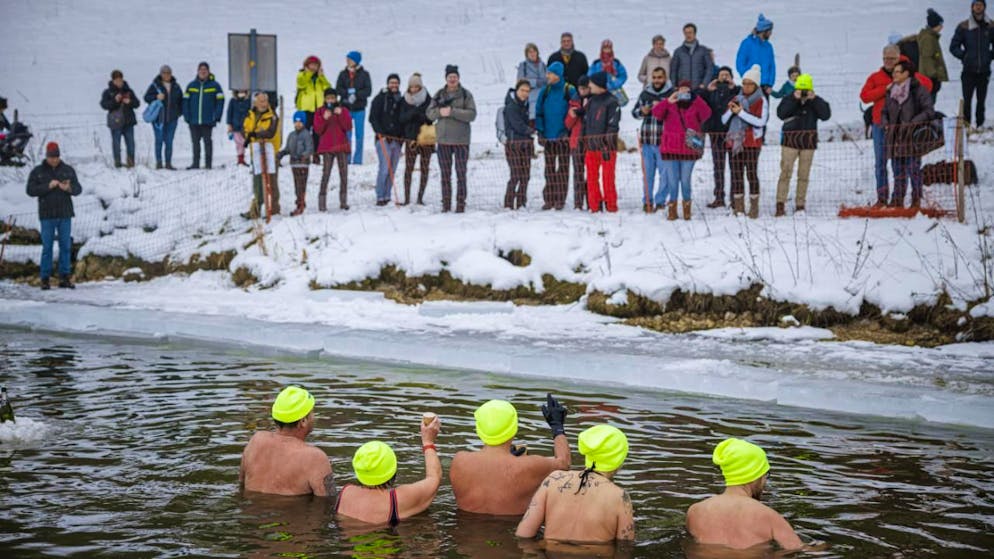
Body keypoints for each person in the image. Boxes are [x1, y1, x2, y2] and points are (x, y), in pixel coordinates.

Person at [450, 395, 571, 515]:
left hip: (465, 531)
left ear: (479, 429)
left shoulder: (460, 460)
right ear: (514, 429)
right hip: (514, 530)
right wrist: (557, 427)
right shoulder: (530, 465)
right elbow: (564, 463)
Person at [516, 425, 634, 543]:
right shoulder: (620, 497)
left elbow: (524, 534)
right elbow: (625, 546)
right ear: (619, 461)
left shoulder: (553, 480)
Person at [686, 438, 809, 551]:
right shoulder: (768, 516)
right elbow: (799, 550)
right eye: (766, 475)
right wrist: (825, 546)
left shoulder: (694, 511)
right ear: (757, 476)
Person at [334, 415, 442, 526]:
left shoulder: (346, 492)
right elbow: (434, 478)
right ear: (393, 470)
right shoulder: (397, 500)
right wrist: (428, 442)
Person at [860, 46, 934, 205]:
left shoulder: (906, 74)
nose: (888, 62)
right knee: (880, 162)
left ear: (899, 58)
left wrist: (907, 77)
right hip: (881, 125)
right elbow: (864, 96)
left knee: (900, 163)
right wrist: (885, 89)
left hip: (902, 127)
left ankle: (899, 197)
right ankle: (881, 198)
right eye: (885, 58)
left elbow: (928, 85)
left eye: (892, 59)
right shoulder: (875, 77)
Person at [239, 386, 335, 497]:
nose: (314, 417)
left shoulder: (256, 440)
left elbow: (241, 484)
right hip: (289, 513)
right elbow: (329, 504)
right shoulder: (315, 458)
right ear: (303, 421)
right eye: (312, 413)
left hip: (251, 510)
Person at [25, 142, 82, 290]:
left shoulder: (68, 170)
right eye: (51, 157)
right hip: (47, 215)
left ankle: (65, 277)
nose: (54, 160)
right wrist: (47, 186)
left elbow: (78, 189)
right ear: (47, 156)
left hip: (65, 214)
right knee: (47, 247)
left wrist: (68, 188)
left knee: (65, 246)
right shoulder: (38, 171)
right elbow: (30, 190)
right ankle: (45, 278)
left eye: (56, 157)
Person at [653, 80, 711, 220]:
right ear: (677, 90)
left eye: (687, 89)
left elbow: (707, 114)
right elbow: (656, 113)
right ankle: (672, 210)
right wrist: (668, 101)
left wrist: (696, 99)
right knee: (672, 181)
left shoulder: (696, 104)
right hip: (670, 148)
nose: (684, 92)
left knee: (685, 180)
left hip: (689, 148)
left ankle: (686, 210)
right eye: (681, 89)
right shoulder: (670, 104)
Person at [775, 74, 831, 216]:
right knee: (785, 172)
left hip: (808, 143)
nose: (804, 93)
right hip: (790, 142)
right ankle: (780, 203)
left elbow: (825, 115)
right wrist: (794, 98)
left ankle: (800, 204)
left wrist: (815, 100)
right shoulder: (789, 98)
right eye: (801, 90)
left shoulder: (815, 101)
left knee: (804, 174)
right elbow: (781, 114)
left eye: (806, 90)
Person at [882, 60, 935, 209]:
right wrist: (886, 122)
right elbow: (884, 111)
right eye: (894, 72)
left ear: (906, 73)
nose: (894, 74)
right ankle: (897, 200)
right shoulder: (890, 91)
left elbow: (929, 111)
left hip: (912, 137)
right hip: (895, 137)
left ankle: (916, 199)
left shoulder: (918, 90)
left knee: (913, 170)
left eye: (897, 72)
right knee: (897, 171)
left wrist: (914, 122)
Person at [426, 65, 477, 213]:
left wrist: (453, 112)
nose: (452, 79)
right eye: (450, 77)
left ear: (458, 78)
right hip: (443, 141)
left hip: (461, 141)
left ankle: (461, 203)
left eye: (454, 77)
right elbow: (429, 113)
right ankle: (446, 204)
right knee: (445, 174)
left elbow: (472, 114)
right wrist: (440, 112)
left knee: (461, 173)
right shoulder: (438, 95)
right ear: (446, 79)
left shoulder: (466, 95)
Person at [722, 65, 769, 218]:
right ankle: (738, 206)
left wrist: (740, 112)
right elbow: (724, 120)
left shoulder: (761, 100)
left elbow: (760, 122)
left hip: (752, 143)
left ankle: (754, 207)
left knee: (751, 173)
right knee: (736, 174)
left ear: (755, 85)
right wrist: (731, 110)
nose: (746, 87)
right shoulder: (737, 98)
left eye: (749, 83)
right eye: (744, 83)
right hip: (735, 142)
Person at [535, 62, 576, 210]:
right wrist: (540, 131)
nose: (547, 76)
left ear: (557, 74)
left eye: (550, 73)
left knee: (563, 169)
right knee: (549, 169)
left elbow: (575, 110)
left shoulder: (569, 90)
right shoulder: (545, 91)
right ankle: (549, 199)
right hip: (548, 138)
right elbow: (538, 111)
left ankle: (560, 199)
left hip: (563, 137)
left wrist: (567, 130)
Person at [632, 66, 674, 212]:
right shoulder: (645, 94)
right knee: (647, 174)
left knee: (665, 175)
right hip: (647, 140)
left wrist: (663, 106)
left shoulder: (671, 93)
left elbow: (676, 114)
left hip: (664, 141)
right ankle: (647, 201)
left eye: (659, 77)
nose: (657, 80)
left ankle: (660, 201)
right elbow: (634, 113)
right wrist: (642, 111)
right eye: (654, 77)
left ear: (665, 78)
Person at [949, 1, 994, 128]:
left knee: (982, 101)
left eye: (981, 4)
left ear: (984, 7)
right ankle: (967, 125)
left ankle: (980, 125)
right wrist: (964, 56)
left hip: (984, 70)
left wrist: (989, 56)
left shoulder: (991, 26)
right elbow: (953, 46)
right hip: (968, 70)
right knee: (967, 100)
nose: (978, 7)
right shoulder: (964, 26)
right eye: (976, 5)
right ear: (972, 7)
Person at [582, 72, 621, 213]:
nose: (589, 86)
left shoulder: (612, 102)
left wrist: (606, 143)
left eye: (591, 83)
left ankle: (611, 206)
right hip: (591, 146)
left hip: (607, 148)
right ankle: (594, 205)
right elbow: (585, 122)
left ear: (599, 85)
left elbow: (613, 125)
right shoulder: (591, 101)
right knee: (591, 178)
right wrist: (583, 141)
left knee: (608, 178)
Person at [703, 67, 740, 208]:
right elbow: (700, 99)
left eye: (727, 75)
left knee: (734, 166)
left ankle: (734, 198)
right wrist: (708, 90)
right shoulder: (711, 92)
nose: (724, 77)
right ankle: (719, 196)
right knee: (718, 166)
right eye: (721, 75)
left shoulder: (736, 91)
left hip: (732, 133)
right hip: (715, 133)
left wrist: (733, 87)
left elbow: (742, 96)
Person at [313, 88, 353, 212]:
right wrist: (324, 118)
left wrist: (340, 114)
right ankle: (322, 202)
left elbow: (348, 126)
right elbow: (317, 130)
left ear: (336, 99)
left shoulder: (343, 110)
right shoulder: (320, 111)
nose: (330, 100)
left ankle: (343, 201)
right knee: (326, 174)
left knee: (344, 174)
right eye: (328, 98)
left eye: (333, 98)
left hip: (341, 146)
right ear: (325, 99)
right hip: (327, 147)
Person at [243, 92, 281, 218]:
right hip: (257, 152)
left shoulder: (273, 116)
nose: (263, 103)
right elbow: (246, 131)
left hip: (270, 152)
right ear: (255, 102)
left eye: (265, 101)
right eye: (261, 101)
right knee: (257, 182)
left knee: (272, 181)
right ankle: (256, 210)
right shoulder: (250, 115)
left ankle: (274, 209)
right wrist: (253, 135)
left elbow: (270, 132)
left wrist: (256, 135)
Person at [397, 73, 433, 206]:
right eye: (412, 86)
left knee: (425, 168)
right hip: (410, 138)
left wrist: (421, 116)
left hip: (426, 137)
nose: (414, 89)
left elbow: (431, 117)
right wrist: (413, 114)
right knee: (408, 168)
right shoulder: (404, 100)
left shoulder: (429, 99)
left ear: (420, 86)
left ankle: (420, 197)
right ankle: (407, 198)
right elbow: (401, 118)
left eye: (417, 86)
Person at [369, 74, 405, 206]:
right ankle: (380, 195)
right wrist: (380, 133)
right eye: (391, 82)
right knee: (384, 168)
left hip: (397, 139)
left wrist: (401, 136)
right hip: (383, 138)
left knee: (392, 169)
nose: (394, 85)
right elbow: (373, 118)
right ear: (387, 83)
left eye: (396, 83)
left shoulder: (401, 100)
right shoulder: (380, 99)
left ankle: (387, 195)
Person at [182, 62, 225, 170]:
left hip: (208, 120)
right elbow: (185, 101)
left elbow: (220, 101)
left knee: (207, 143)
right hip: (194, 120)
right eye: (201, 69)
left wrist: (217, 116)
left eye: (205, 69)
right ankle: (195, 163)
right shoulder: (191, 86)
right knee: (195, 143)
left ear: (208, 71)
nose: (203, 71)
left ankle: (208, 164)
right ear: (198, 71)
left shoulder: (215, 86)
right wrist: (186, 116)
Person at [143, 65, 183, 170]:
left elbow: (181, 101)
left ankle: (168, 163)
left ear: (171, 74)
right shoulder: (155, 85)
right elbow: (146, 97)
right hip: (158, 119)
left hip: (172, 119)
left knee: (169, 141)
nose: (166, 74)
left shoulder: (176, 86)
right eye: (164, 72)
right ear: (161, 74)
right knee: (159, 140)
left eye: (168, 72)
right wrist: (156, 97)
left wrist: (179, 113)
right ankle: (159, 163)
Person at [336, 51, 372, 164]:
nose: (348, 61)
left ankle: (358, 159)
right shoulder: (343, 74)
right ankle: (346, 158)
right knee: (346, 134)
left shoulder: (364, 74)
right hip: (346, 108)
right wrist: (347, 93)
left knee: (359, 135)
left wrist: (356, 94)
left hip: (359, 108)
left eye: (350, 59)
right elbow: (338, 88)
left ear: (356, 61)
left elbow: (368, 90)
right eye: (347, 59)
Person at [503, 80, 534, 210]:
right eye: (522, 90)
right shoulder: (511, 106)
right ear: (516, 90)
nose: (525, 94)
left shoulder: (526, 106)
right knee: (515, 174)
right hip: (513, 144)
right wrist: (531, 130)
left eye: (527, 91)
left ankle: (521, 201)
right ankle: (509, 202)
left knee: (525, 175)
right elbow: (518, 125)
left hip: (525, 144)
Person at [99, 69, 140, 168]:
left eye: (120, 80)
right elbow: (104, 105)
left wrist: (129, 101)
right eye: (116, 80)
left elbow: (137, 103)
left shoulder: (129, 91)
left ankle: (131, 163)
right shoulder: (108, 92)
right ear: (113, 81)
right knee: (116, 145)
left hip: (129, 122)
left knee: (130, 144)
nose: (119, 82)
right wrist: (115, 100)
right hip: (115, 123)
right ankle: (118, 163)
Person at [295, 55, 331, 163]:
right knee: (304, 132)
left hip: (318, 108)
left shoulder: (319, 78)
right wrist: (309, 73)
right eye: (311, 64)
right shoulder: (302, 75)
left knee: (317, 132)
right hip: (306, 108)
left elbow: (328, 88)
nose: (313, 67)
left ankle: (316, 153)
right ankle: (303, 153)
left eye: (316, 65)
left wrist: (322, 77)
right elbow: (301, 84)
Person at [278, 111, 315, 216]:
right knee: (296, 184)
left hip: (302, 164)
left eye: (300, 122)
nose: (298, 124)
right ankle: (299, 201)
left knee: (301, 185)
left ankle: (301, 204)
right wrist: (281, 154)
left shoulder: (307, 135)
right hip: (294, 164)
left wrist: (304, 156)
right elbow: (288, 148)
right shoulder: (291, 135)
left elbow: (310, 148)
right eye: (296, 122)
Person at [565, 75, 591, 210]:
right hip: (576, 141)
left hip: (591, 141)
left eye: (586, 88)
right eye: (581, 88)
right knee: (578, 173)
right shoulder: (573, 101)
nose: (583, 91)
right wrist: (572, 115)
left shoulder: (594, 100)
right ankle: (578, 203)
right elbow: (568, 124)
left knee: (592, 173)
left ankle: (591, 201)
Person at [736, 14, 776, 95]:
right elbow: (740, 63)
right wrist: (748, 78)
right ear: (764, 31)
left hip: (765, 86)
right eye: (769, 31)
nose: (771, 33)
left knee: (764, 107)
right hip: (750, 84)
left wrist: (770, 84)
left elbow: (772, 66)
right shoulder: (747, 43)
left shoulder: (769, 46)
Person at [670, 24, 715, 91]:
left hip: (699, 88)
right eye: (686, 33)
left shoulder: (703, 50)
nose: (688, 35)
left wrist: (704, 84)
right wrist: (674, 85)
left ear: (695, 33)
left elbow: (709, 68)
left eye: (690, 32)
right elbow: (674, 70)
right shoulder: (678, 51)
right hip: (683, 89)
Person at [918, 9, 949, 105]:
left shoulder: (931, 37)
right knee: (929, 102)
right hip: (930, 78)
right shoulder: (928, 38)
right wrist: (934, 75)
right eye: (940, 24)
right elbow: (927, 58)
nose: (942, 27)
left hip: (930, 77)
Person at [587, 40, 628, 106]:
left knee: (613, 108)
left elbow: (623, 75)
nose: (607, 50)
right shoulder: (596, 63)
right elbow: (590, 76)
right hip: (599, 90)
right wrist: (597, 84)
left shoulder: (616, 62)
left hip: (613, 90)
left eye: (608, 48)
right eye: (605, 48)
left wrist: (615, 84)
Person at [518, 43, 548, 121]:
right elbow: (520, 81)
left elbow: (548, 78)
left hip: (543, 95)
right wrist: (535, 82)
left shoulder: (543, 65)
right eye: (530, 52)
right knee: (533, 118)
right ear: (526, 54)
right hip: (530, 96)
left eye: (534, 51)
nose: (532, 54)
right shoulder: (523, 65)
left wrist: (545, 81)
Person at [226, 90, 251, 167]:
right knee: (239, 144)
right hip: (236, 127)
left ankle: (253, 159)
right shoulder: (233, 101)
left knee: (246, 142)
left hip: (246, 127)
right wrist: (229, 124)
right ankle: (240, 159)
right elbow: (229, 113)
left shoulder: (249, 100)